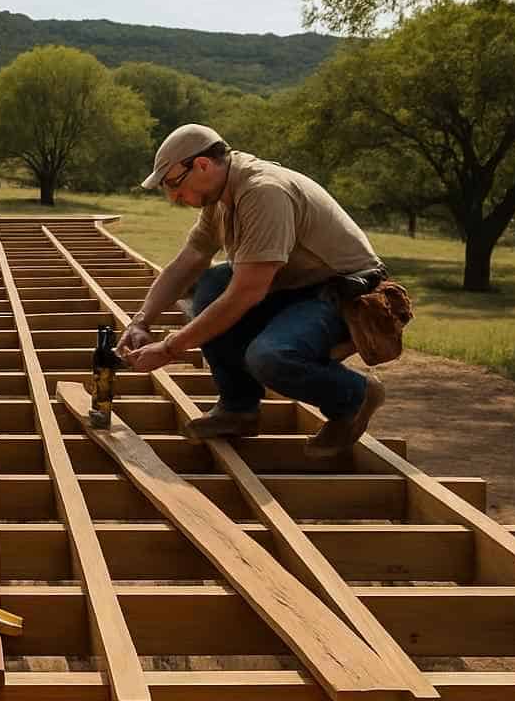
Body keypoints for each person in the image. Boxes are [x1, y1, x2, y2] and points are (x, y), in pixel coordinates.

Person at [117, 124, 386, 457]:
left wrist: (170, 349)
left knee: (270, 356)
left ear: (201, 165)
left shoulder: (262, 191)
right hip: (292, 284)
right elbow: (188, 261)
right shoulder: (220, 197)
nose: (174, 197)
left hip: (341, 292)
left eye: (174, 184)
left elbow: (247, 293)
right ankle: (238, 409)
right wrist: (140, 322)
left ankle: (354, 397)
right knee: (211, 285)